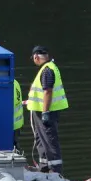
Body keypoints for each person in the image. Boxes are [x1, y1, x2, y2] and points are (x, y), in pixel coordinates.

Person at [24, 45, 69, 173]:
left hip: (46, 112)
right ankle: (44, 168)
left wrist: (45, 112)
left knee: (49, 140)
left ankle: (55, 172)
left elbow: (47, 92)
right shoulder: (49, 68)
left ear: (36, 56)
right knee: (41, 139)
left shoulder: (47, 70)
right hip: (41, 110)